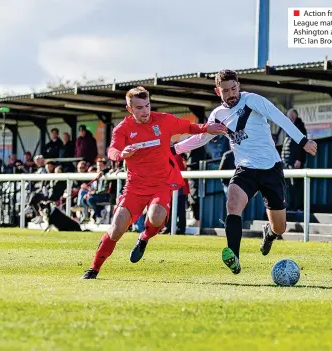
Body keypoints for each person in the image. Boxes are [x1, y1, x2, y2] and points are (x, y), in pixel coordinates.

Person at [174, 69, 317, 274]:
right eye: (226, 90)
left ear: (238, 86)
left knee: (279, 227)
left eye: (234, 88)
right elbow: (200, 139)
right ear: (218, 91)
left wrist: (302, 141)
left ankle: (269, 232)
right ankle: (234, 257)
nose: (231, 93)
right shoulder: (217, 115)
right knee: (233, 203)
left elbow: (278, 117)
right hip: (245, 169)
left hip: (271, 168)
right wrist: (173, 150)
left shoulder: (252, 100)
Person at [81, 86, 227, 279]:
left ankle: (144, 238)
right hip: (134, 187)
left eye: (147, 105)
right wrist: (120, 155)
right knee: (116, 229)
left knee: (157, 216)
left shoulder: (163, 120)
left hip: (161, 183)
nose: (145, 111)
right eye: (140, 108)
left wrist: (207, 128)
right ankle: (94, 269)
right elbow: (112, 150)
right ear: (130, 109)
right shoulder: (123, 129)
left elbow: (187, 126)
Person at [281, 108, 307, 211]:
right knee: (289, 186)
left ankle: (299, 207)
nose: (289, 118)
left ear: (294, 116)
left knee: (296, 186)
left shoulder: (300, 127)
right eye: (288, 116)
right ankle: (291, 206)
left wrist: (299, 159)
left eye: (291, 116)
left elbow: (302, 144)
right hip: (287, 163)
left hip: (295, 162)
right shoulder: (289, 127)